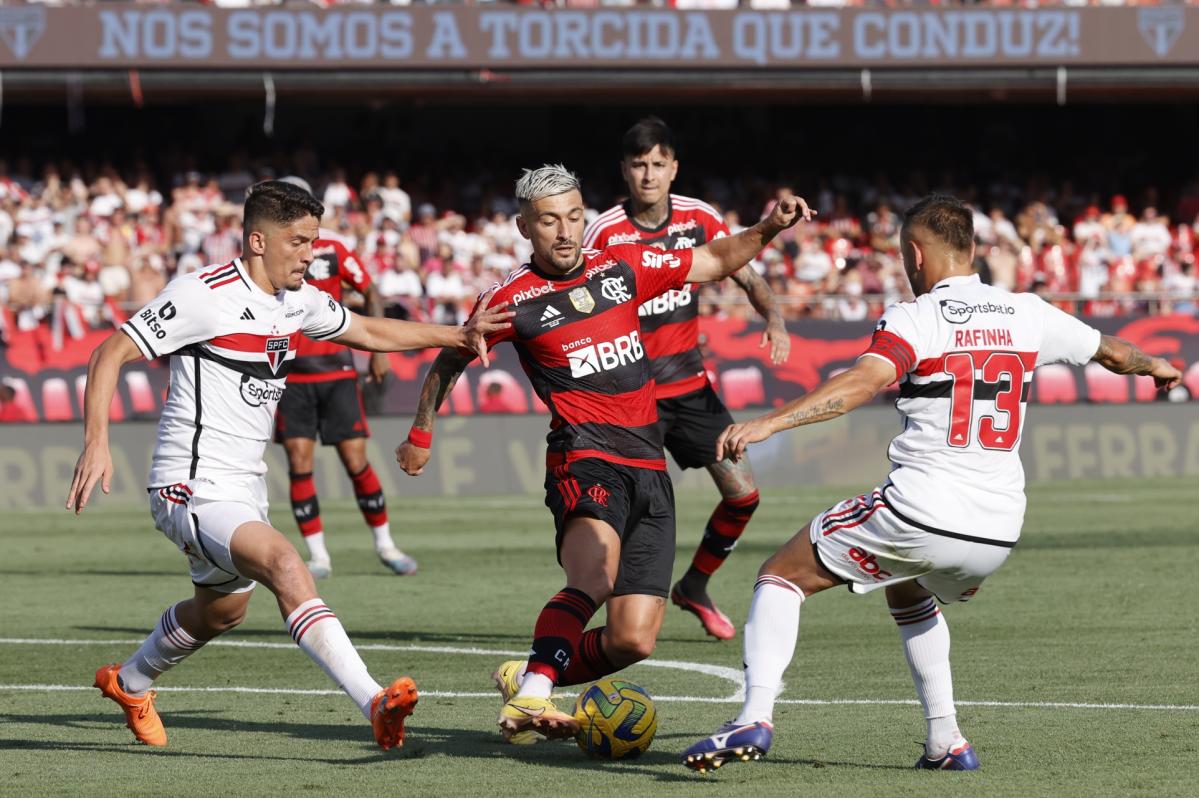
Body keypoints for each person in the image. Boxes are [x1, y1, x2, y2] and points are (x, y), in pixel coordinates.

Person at [681, 194, 1182, 773]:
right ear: (973, 250)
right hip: (999, 530)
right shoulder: (1028, 312)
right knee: (909, 588)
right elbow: (1117, 353)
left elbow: (861, 384)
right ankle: (946, 741)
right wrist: (1157, 366)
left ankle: (754, 716)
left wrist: (770, 421)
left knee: (780, 577)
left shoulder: (915, 317)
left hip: (925, 509)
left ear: (915, 254)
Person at [66, 180, 511, 752]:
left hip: (244, 489)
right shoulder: (203, 294)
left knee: (221, 612)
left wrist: (456, 333)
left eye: (314, 241)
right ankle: (374, 701)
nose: (311, 254)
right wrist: (96, 442)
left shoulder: (296, 300)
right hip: (189, 484)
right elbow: (110, 351)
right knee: (283, 561)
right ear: (257, 241)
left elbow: (368, 330)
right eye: (299, 242)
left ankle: (130, 682)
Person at [397, 164, 812, 743]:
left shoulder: (622, 269)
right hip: (583, 457)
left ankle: (532, 672)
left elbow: (714, 260)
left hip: (650, 467)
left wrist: (769, 227)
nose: (565, 232)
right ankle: (534, 698)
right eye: (549, 221)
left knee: (632, 640)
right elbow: (450, 358)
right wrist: (420, 433)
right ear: (523, 227)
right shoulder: (511, 300)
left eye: (573, 217)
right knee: (593, 577)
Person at [583, 117, 791, 640]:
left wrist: (775, 316)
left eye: (658, 164)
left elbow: (742, 270)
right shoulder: (605, 231)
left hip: (691, 388)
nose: (648, 175)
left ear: (674, 168)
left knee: (743, 496)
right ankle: (621, 613)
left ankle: (694, 585)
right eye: (638, 165)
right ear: (624, 171)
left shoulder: (700, 218)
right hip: (632, 397)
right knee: (632, 509)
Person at [274, 176, 412, 579]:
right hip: (290, 375)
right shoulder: (269, 249)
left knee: (355, 460)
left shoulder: (332, 246)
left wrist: (378, 350)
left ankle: (385, 545)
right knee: (299, 464)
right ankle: (318, 557)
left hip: (336, 369)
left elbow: (369, 291)